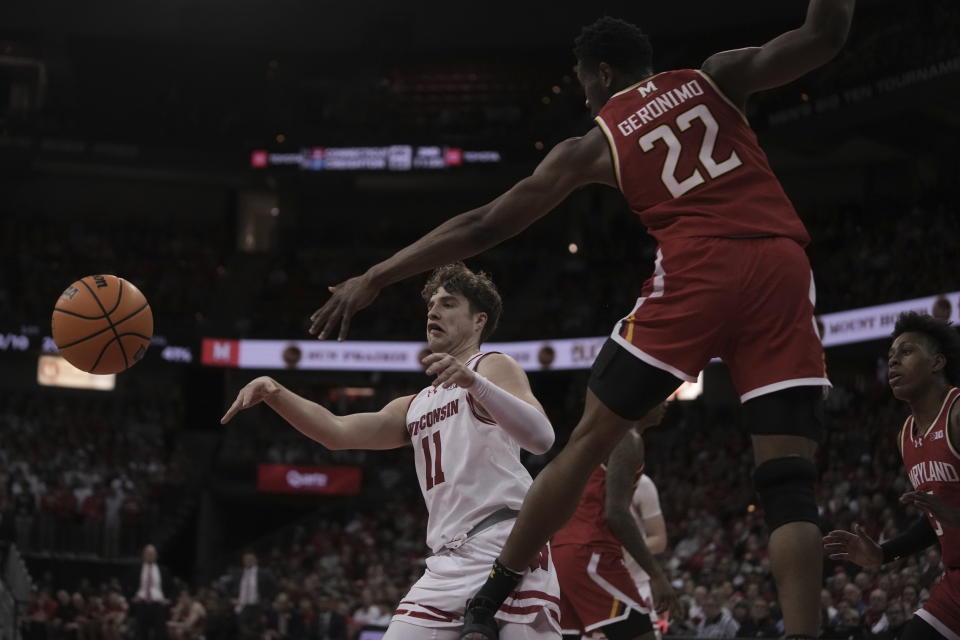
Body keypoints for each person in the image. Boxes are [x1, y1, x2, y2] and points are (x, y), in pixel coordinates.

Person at [307, 3, 856, 638]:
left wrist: (377, 275)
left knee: (588, 440)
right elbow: (825, 35)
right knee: (787, 483)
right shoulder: (715, 77)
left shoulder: (596, 142)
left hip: (699, 269)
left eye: (580, 81)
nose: (582, 93)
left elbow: (485, 224)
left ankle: (496, 591)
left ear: (599, 73)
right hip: (784, 267)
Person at [224, 263, 560, 639]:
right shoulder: (415, 404)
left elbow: (542, 438)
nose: (433, 311)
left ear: (479, 320)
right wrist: (276, 393)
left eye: (448, 304)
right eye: (431, 305)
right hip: (447, 562)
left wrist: (474, 382)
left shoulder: (492, 366)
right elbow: (336, 432)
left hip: (508, 546)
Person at [824, 312, 960, 640]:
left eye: (907, 352)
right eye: (890, 357)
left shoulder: (957, 414)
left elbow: (949, 515)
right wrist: (884, 553)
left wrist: (954, 514)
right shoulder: (906, 436)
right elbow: (935, 521)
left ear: (937, 362)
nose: (894, 362)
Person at [552, 407, 673, 640]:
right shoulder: (627, 437)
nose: (666, 403)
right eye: (661, 396)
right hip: (590, 552)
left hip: (564, 550)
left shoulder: (602, 435)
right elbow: (616, 514)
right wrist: (657, 575)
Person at [623, 470, 668, 632]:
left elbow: (659, 540)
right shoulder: (582, 478)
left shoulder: (641, 484)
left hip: (635, 585)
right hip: (592, 586)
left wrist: (619, 549)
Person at [230, 550, 277, 640]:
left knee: (258, 631)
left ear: (255, 560)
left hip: (258, 606)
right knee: (243, 632)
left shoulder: (264, 573)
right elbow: (233, 588)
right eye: (246, 559)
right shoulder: (239, 573)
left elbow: (275, 587)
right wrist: (234, 598)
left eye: (250, 559)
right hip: (242, 606)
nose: (248, 561)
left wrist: (266, 598)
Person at [128, 544, 170, 640]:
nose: (150, 556)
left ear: (156, 556)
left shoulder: (164, 570)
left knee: (161, 634)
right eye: (148, 553)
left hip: (158, 605)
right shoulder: (136, 570)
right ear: (143, 555)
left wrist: (168, 600)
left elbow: (171, 588)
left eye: (152, 554)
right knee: (140, 634)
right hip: (141, 604)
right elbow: (126, 585)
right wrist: (131, 598)